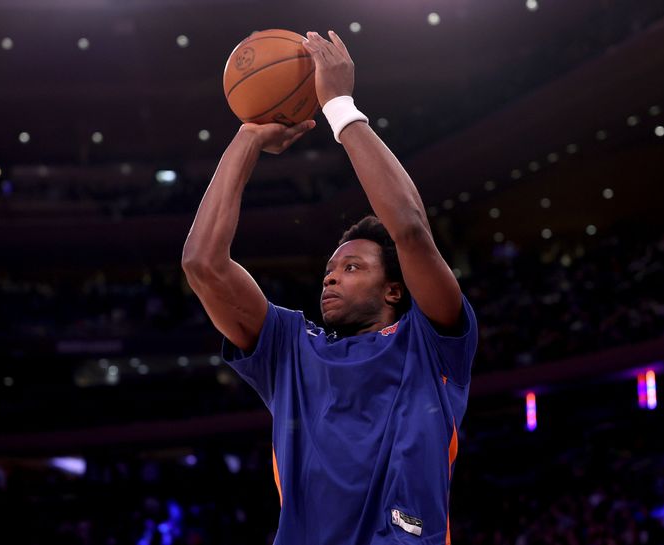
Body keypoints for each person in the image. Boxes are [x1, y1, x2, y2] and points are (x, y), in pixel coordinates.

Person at [182, 30, 477, 545]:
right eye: (329, 270)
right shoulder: (291, 348)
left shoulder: (432, 342)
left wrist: (339, 105)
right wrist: (248, 137)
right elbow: (202, 263)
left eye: (353, 268)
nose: (331, 276)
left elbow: (409, 228)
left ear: (394, 290)